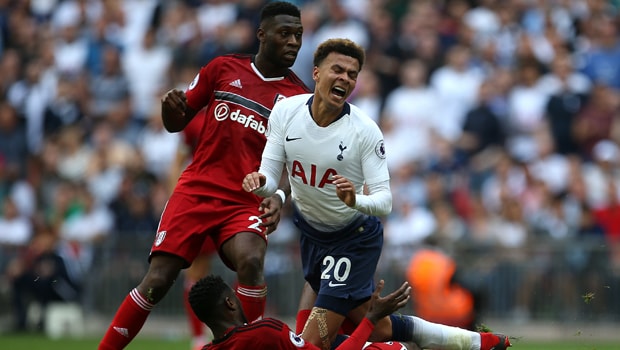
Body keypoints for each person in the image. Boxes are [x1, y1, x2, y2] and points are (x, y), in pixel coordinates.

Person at [243, 38, 511, 350]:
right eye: (338, 70)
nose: (345, 78)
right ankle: (480, 343)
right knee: (379, 328)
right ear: (316, 73)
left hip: (352, 239)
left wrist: (354, 199)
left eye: (352, 74)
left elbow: (384, 201)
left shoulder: (365, 130)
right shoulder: (285, 112)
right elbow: (272, 176)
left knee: (310, 345)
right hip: (312, 235)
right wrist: (262, 186)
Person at [98, 2, 310, 349]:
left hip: (244, 200)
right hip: (197, 190)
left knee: (252, 260)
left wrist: (279, 195)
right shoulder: (223, 68)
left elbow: (295, 163)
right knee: (158, 279)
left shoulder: (299, 98)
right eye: (285, 33)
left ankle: (251, 345)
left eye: (298, 35)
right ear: (262, 35)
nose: (293, 42)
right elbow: (176, 122)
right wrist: (169, 109)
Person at [188, 274, 420, 350]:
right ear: (230, 303)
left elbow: (304, 341)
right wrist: (371, 318)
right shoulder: (264, 332)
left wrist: (314, 280)